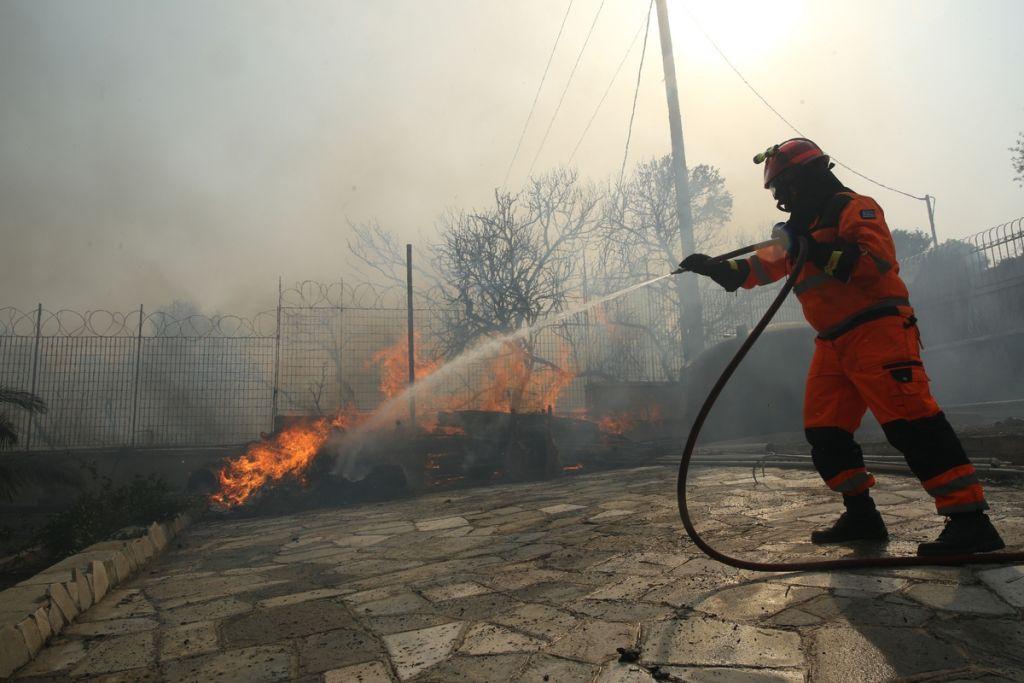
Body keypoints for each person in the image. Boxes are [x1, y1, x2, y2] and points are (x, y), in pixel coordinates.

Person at [679, 138, 1005, 556]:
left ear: (805, 178)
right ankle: (862, 516)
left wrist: (810, 248)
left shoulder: (855, 208)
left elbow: (871, 264)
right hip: (833, 343)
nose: (779, 197)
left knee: (913, 424)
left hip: (878, 331)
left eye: (782, 187)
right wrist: (714, 268)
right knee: (825, 431)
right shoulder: (799, 230)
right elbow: (759, 268)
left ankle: (970, 522)